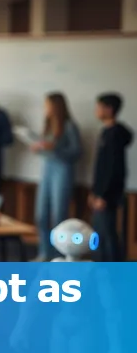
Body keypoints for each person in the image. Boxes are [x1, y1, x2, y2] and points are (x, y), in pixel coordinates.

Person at [31, 92, 83, 261]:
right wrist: (39, 148)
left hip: (63, 170)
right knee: (41, 214)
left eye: (47, 105)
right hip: (47, 169)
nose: (45, 109)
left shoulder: (69, 126)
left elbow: (77, 152)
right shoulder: (48, 125)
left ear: (56, 106)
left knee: (59, 214)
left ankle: (59, 254)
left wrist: (55, 148)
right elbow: (47, 149)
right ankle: (44, 252)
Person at [90, 93, 132, 262]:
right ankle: (101, 267)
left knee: (107, 234)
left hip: (108, 195)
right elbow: (100, 168)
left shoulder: (115, 135)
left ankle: (113, 269)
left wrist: (103, 195)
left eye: (99, 107)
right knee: (99, 233)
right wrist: (94, 191)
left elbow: (113, 168)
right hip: (100, 192)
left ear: (109, 109)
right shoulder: (106, 132)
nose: (96, 111)